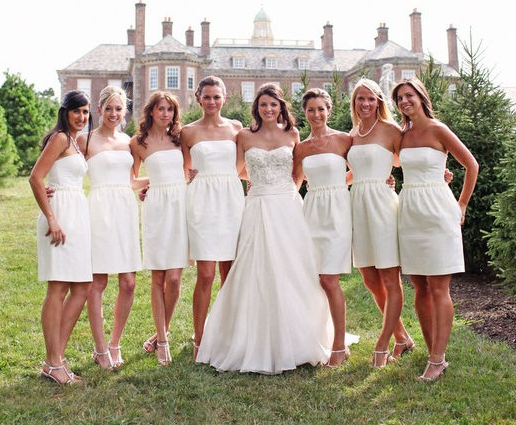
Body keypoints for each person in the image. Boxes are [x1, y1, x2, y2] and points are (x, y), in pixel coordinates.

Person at [196, 83, 333, 374]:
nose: (268, 109)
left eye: (273, 104)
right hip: (257, 206)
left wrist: (285, 195)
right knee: (254, 268)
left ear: (281, 107)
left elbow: (297, 174)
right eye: (263, 105)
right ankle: (248, 336)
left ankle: (300, 335)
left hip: (287, 208)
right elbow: (232, 172)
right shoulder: (244, 136)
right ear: (256, 108)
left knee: (293, 269)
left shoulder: (292, 134)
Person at [392, 77, 478, 381]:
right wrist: (390, 181)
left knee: (439, 288)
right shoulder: (402, 134)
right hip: (410, 212)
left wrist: (462, 204)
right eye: (400, 98)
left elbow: (471, 165)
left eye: (409, 95)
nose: (404, 101)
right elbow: (389, 161)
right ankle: (432, 354)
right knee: (420, 288)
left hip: (438, 211)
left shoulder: (438, 129)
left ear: (420, 96)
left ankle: (439, 358)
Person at [76, 86, 146, 369]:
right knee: (99, 282)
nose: (114, 114)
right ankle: (100, 348)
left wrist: (161, 182)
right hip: (99, 210)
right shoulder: (85, 139)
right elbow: (63, 166)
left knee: (128, 282)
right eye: (109, 109)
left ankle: (115, 343)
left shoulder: (128, 141)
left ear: (124, 112)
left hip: (125, 210)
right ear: (99, 110)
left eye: (119, 109)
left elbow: (131, 180)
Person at [347, 78, 414, 368]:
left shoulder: (391, 130)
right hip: (357, 204)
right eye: (360, 99)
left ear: (379, 102)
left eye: (371, 99)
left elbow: (410, 159)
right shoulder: (353, 133)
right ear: (354, 103)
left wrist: (440, 174)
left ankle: (383, 344)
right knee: (369, 278)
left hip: (383, 205)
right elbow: (353, 172)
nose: (365, 104)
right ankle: (402, 336)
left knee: (389, 278)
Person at [29, 90, 93, 384]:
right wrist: (52, 218)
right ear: (65, 112)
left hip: (76, 212)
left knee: (81, 286)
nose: (82, 117)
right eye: (77, 111)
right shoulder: (59, 138)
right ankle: (54, 363)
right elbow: (35, 177)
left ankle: (55, 358)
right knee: (58, 287)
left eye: (85, 112)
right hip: (61, 216)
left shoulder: (75, 142)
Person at [293, 88, 359, 367]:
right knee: (315, 279)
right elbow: (294, 181)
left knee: (330, 279)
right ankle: (316, 334)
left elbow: (364, 167)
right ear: (305, 113)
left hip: (338, 213)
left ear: (329, 110)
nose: (316, 114)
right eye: (311, 110)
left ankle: (339, 345)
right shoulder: (301, 148)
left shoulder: (344, 139)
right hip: (311, 213)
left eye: (321, 109)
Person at [180, 76, 245, 357]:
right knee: (206, 274)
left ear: (224, 98)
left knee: (229, 273)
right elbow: (181, 171)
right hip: (202, 201)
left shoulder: (236, 128)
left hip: (231, 199)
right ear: (198, 99)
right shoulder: (187, 132)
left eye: (216, 97)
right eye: (206, 97)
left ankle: (229, 334)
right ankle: (200, 337)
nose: (212, 102)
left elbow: (243, 167)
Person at [131, 91, 189, 366]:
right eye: (161, 109)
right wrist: (148, 186)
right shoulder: (138, 143)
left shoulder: (181, 139)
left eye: (170, 110)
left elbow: (189, 170)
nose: (166, 114)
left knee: (175, 279)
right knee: (158, 277)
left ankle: (158, 332)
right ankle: (163, 341)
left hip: (180, 207)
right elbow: (130, 179)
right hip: (156, 208)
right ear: (151, 112)